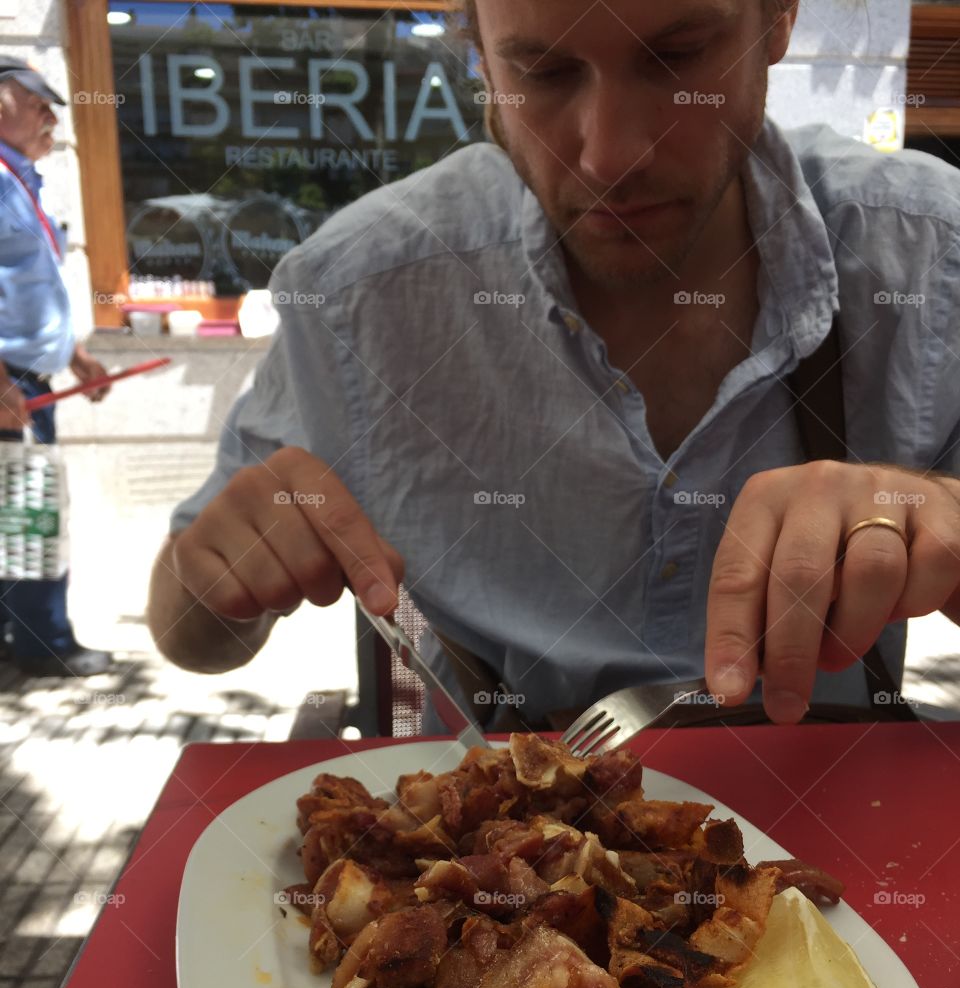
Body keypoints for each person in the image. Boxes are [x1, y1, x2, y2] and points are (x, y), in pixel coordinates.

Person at [147, 0, 960, 726]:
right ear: (481, 58)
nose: (610, 155)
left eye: (676, 58)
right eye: (542, 71)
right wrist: (214, 582)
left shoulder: (927, 256)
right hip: (484, 851)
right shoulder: (358, 293)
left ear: (777, 20)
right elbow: (197, 642)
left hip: (833, 849)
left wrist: (928, 512)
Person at [0, 56, 113, 677]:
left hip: (26, 376)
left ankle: (16, 639)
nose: (49, 115)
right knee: (29, 514)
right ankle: (45, 646)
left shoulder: (22, 180)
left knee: (15, 512)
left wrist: (75, 356)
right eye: (35, 101)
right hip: (8, 380)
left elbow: (28, 286)